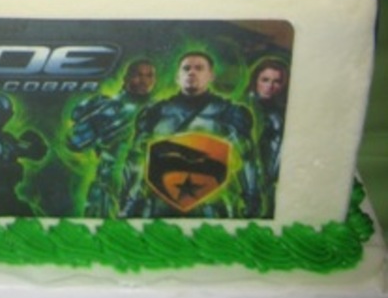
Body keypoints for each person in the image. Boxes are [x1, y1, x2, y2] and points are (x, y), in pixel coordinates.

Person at [119, 51, 259, 218]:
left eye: (199, 68)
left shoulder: (231, 114)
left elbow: (247, 159)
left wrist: (252, 197)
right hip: (159, 203)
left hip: (211, 204)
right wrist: (129, 200)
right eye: (186, 68)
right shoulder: (155, 113)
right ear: (177, 77)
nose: (192, 72)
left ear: (211, 76)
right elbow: (136, 160)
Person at [68, 59, 156, 217]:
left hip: (145, 183)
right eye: (138, 75)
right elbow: (75, 142)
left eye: (149, 75)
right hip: (110, 180)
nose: (144, 80)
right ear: (126, 77)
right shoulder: (109, 107)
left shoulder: (160, 109)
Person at [247, 58, 289, 214]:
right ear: (255, 81)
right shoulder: (243, 107)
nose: (270, 86)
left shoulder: (280, 113)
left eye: (276, 82)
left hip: (273, 172)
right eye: (265, 80)